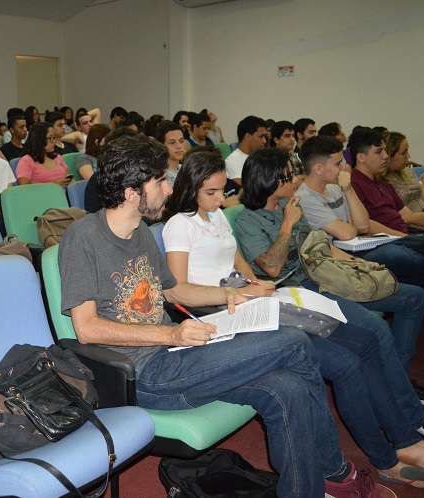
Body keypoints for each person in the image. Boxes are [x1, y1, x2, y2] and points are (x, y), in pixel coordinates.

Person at [59, 133, 392, 498]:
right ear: (131, 192)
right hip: (142, 375)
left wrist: (230, 293)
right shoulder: (83, 238)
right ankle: (337, 473)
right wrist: (170, 335)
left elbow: (173, 289)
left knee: (289, 388)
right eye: (159, 182)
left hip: (175, 356)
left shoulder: (138, 231)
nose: (169, 191)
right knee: (294, 342)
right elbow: (86, 328)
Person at [164, 149, 424, 489]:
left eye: (220, 191)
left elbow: (238, 264)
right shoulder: (179, 225)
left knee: (364, 343)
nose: (220, 200)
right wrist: (237, 294)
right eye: (210, 192)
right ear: (190, 187)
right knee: (347, 363)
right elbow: (178, 290)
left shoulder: (214, 217)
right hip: (224, 317)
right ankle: (388, 459)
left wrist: (253, 283)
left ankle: (406, 439)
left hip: (252, 304)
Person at [236, 146, 424, 448]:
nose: (295, 181)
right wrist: (288, 223)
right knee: (376, 331)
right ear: (273, 181)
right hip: (298, 292)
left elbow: (319, 248)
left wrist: (360, 264)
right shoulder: (250, 219)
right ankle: (416, 419)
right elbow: (272, 268)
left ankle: (402, 386)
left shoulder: (290, 202)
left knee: (412, 297)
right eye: (289, 177)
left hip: (323, 276)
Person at [298, 135, 424, 393]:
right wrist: (350, 227)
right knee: (400, 258)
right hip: (342, 264)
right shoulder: (306, 197)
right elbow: (348, 233)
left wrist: (348, 190)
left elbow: (360, 226)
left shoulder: (338, 188)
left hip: (360, 251)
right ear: (319, 168)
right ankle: (398, 383)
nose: (344, 169)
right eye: (338, 164)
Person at [349, 128, 424, 259]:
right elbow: (364, 225)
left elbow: (414, 218)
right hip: (388, 243)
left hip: (406, 237)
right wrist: (405, 238)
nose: (385, 156)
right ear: (361, 157)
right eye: (379, 152)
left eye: (384, 150)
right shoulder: (352, 185)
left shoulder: (384, 185)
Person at [225, 115, 267, 185]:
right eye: (261, 137)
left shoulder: (262, 157)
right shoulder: (233, 161)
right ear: (248, 137)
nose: (264, 141)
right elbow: (242, 190)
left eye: (265, 137)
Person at [155, 121, 185, 186]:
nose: (179, 146)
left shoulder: (186, 169)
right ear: (161, 145)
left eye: (181, 141)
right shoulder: (159, 174)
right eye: (172, 142)